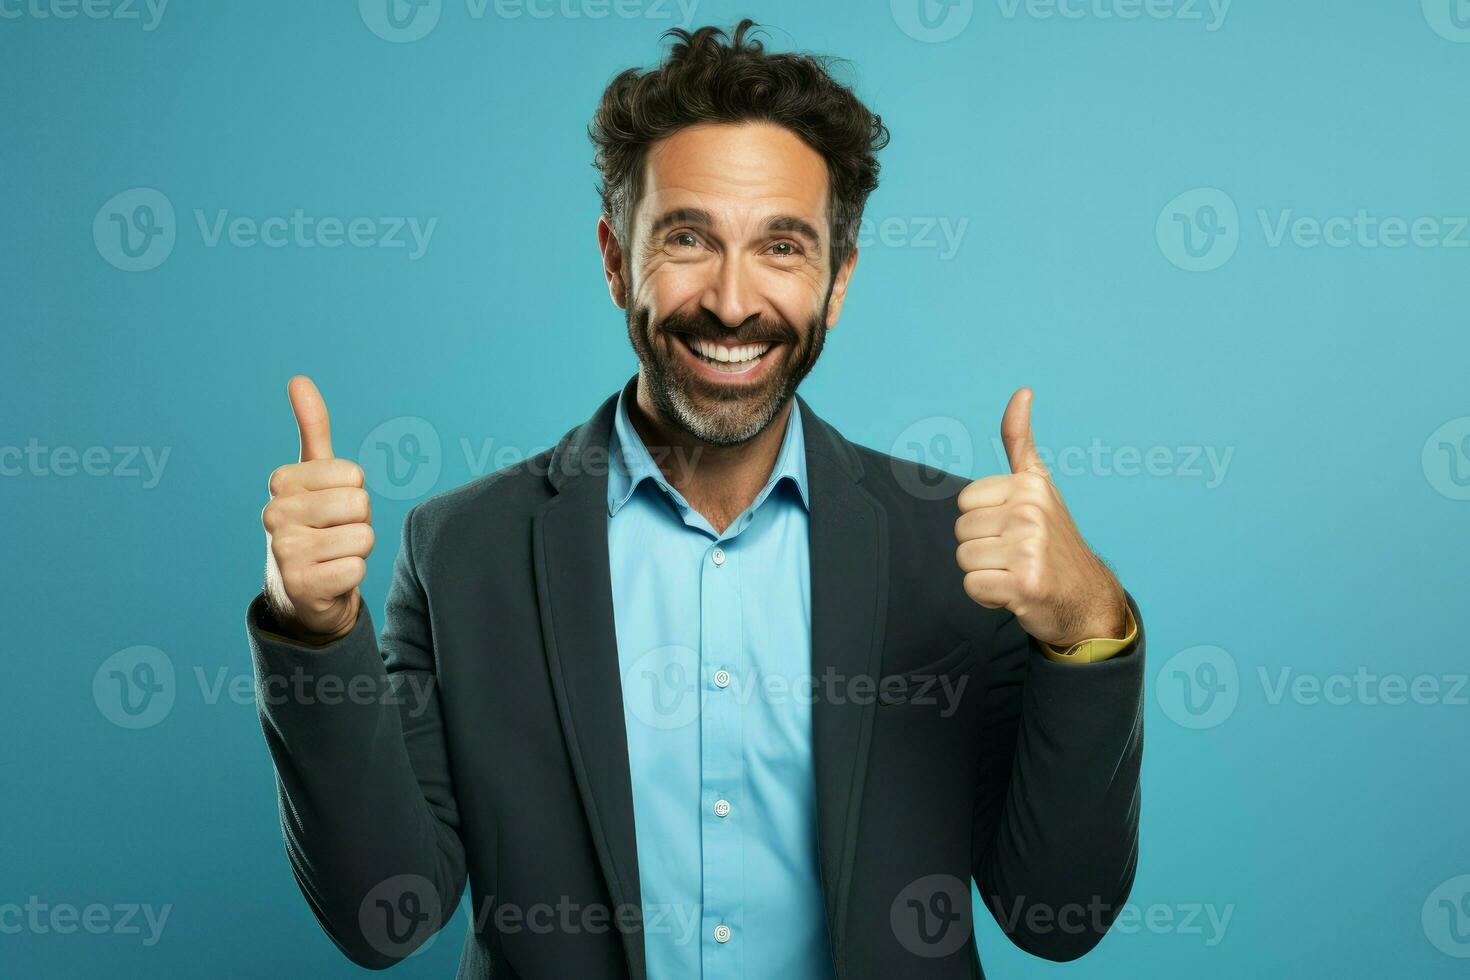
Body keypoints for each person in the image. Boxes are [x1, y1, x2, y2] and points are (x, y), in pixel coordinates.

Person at [248, 19, 1143, 979]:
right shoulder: (463, 549)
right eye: (687, 237)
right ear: (613, 258)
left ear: (837, 282)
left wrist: (1084, 623)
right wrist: (313, 631)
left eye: (782, 248)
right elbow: (386, 915)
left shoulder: (959, 549)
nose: (729, 299)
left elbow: (1057, 917)